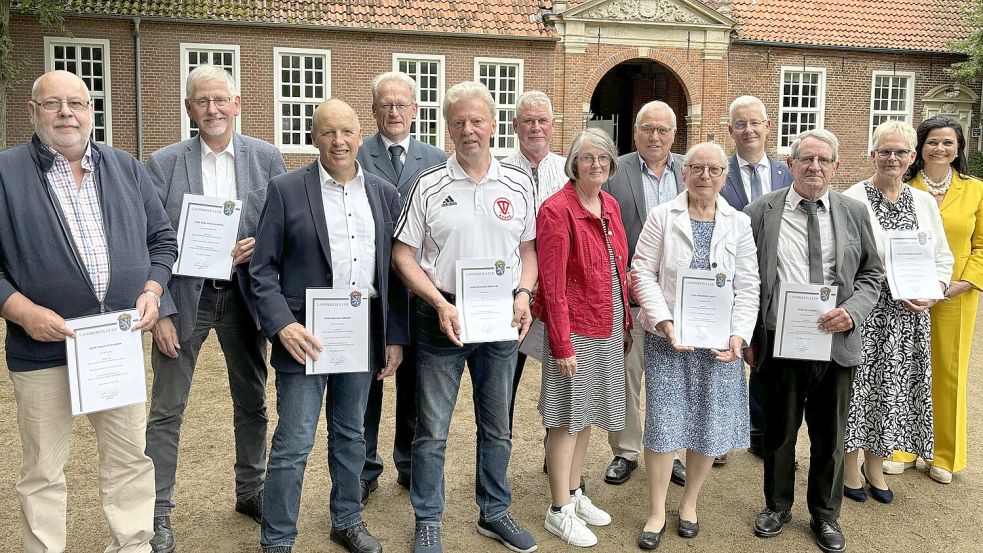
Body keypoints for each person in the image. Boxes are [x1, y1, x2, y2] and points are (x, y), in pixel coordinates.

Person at [0, 70, 178, 553]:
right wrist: (20, 311)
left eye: (76, 103)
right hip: (41, 348)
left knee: (128, 459)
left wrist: (152, 289)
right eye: (52, 103)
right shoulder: (5, 172)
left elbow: (162, 240)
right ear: (32, 112)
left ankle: (133, 544)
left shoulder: (125, 167)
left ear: (90, 111)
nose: (66, 112)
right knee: (41, 470)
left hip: (113, 345)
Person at [250, 98, 408, 553]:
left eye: (346, 132)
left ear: (361, 135)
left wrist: (394, 337)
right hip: (305, 337)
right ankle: (277, 538)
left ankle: (347, 520)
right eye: (327, 132)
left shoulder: (383, 193)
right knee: (294, 442)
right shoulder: (284, 189)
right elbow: (261, 270)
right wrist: (283, 326)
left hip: (359, 337)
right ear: (312, 137)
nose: (338, 142)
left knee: (350, 435)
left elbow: (393, 272)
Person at [144, 64, 287, 553]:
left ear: (237, 104)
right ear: (189, 109)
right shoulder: (162, 164)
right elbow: (150, 241)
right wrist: (160, 309)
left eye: (220, 100)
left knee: (253, 400)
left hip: (245, 297)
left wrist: (259, 244)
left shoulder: (267, 159)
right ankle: (156, 512)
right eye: (202, 102)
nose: (212, 110)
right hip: (186, 296)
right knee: (167, 408)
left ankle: (252, 491)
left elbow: (282, 229)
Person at [393, 81, 538, 553]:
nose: (469, 130)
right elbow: (403, 255)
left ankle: (494, 511)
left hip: (499, 317)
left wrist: (524, 293)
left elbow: (528, 250)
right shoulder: (429, 184)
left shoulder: (519, 183)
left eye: (477, 120)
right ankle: (428, 519)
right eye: (459, 122)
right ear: (447, 127)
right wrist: (438, 302)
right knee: (432, 429)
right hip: (443, 317)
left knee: (497, 424)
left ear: (493, 125)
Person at [745, 129, 882, 553]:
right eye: (806, 159)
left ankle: (825, 515)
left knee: (830, 434)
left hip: (835, 341)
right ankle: (777, 506)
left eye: (824, 160)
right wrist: (748, 335)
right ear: (790, 163)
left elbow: (872, 275)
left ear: (837, 167)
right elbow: (746, 281)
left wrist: (852, 312)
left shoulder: (854, 212)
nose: (815, 167)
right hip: (780, 342)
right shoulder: (759, 212)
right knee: (779, 432)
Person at [631, 142, 759, 549]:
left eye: (715, 169)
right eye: (697, 168)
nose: (705, 176)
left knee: (708, 421)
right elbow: (641, 272)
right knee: (664, 424)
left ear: (725, 176)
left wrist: (739, 334)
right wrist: (664, 321)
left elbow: (749, 285)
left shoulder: (738, 223)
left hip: (719, 343)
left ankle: (689, 503)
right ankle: (655, 510)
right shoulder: (661, 216)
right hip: (669, 339)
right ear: (684, 174)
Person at [840, 121, 953, 504]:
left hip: (908, 318)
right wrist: (888, 279)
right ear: (872, 155)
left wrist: (934, 291)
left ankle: (877, 467)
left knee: (892, 392)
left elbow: (942, 257)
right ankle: (849, 468)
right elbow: (843, 259)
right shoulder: (852, 198)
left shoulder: (923, 201)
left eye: (900, 152)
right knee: (857, 389)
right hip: (866, 313)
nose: (892, 158)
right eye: (884, 151)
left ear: (912, 157)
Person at [535, 128, 630, 547]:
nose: (596, 166)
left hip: (607, 322)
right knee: (566, 418)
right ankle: (558, 509)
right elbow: (552, 286)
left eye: (603, 159)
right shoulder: (557, 210)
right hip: (575, 327)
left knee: (588, 413)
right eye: (587, 158)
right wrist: (561, 343)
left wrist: (624, 322)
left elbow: (618, 268)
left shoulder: (609, 204)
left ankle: (574, 494)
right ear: (573, 163)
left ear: (611, 166)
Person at [356, 71, 446, 501]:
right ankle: (366, 466)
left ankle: (408, 465)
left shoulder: (436, 158)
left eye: (401, 104)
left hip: (418, 287)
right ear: (374, 111)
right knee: (370, 380)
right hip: (371, 288)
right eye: (385, 105)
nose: (394, 111)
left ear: (415, 110)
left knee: (415, 384)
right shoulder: (356, 153)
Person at [889, 115, 983, 484]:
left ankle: (944, 453)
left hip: (955, 297)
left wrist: (961, 283)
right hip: (907, 296)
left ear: (959, 147)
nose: (939, 149)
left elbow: (982, 246)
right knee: (906, 369)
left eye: (947, 142)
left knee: (948, 374)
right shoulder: (904, 185)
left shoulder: (976, 190)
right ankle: (902, 447)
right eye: (932, 142)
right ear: (919, 148)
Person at [601, 100, 687, 487]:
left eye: (663, 130)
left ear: (673, 134)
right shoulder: (614, 171)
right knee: (626, 376)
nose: (655, 136)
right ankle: (627, 451)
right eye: (647, 129)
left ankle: (670, 448)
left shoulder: (690, 171)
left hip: (682, 300)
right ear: (635, 132)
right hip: (630, 297)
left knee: (672, 380)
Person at [719, 95, 793, 465]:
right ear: (730, 130)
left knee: (774, 361)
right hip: (731, 281)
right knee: (724, 357)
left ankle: (765, 438)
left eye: (755, 123)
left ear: (768, 126)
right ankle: (716, 437)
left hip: (780, 282)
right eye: (740, 124)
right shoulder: (718, 172)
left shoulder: (786, 173)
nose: (748, 130)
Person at [501, 90, 568, 452]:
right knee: (505, 375)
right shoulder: (499, 172)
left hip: (562, 291)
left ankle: (556, 454)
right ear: (515, 126)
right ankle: (500, 450)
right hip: (515, 289)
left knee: (560, 374)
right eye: (528, 120)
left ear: (553, 126)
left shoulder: (569, 169)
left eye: (542, 120)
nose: (536, 127)